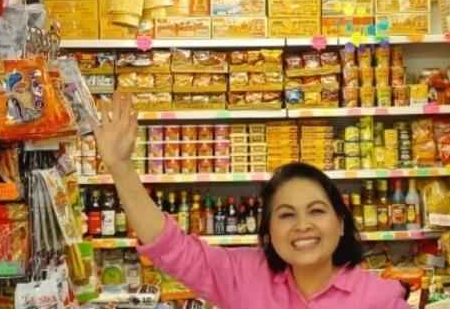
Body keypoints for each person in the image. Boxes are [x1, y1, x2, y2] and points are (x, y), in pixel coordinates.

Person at [91, 93, 411, 308]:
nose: (303, 225)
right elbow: (171, 248)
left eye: (316, 210)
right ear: (268, 230)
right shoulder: (243, 277)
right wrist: (120, 167)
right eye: (286, 215)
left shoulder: (380, 298)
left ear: (341, 223)